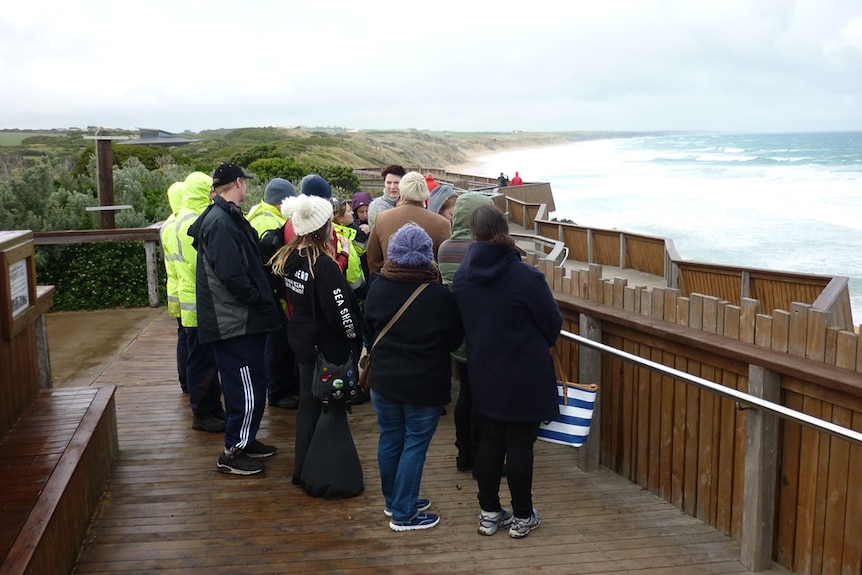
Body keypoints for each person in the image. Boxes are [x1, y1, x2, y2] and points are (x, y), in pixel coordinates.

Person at [453, 205, 562, 539]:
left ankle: (489, 514)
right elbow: (552, 325)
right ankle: (522, 517)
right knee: (519, 444)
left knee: (489, 442)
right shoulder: (527, 278)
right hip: (524, 374)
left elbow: (462, 324)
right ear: (505, 230)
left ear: (473, 234)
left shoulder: (462, 277)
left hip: (484, 371)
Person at [364, 224, 463, 531]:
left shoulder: (377, 287)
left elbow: (369, 332)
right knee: (414, 444)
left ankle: (395, 500)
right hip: (423, 382)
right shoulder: (439, 295)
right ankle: (405, 514)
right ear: (426, 255)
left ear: (393, 253)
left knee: (391, 437)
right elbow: (454, 338)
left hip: (383, 380)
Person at [188, 162, 282, 476]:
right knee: (245, 388)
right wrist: (259, 301)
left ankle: (246, 438)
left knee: (250, 383)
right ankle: (232, 451)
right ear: (238, 183)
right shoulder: (219, 221)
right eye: (246, 183)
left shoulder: (225, 217)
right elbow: (232, 275)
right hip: (234, 322)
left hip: (239, 320)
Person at [270, 194, 365, 500]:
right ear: (324, 228)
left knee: (308, 407)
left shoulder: (288, 256)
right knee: (331, 410)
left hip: (300, 340)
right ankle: (328, 478)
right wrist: (354, 342)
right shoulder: (323, 266)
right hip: (326, 347)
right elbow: (341, 313)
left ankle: (303, 470)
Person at [437, 192, 496, 474]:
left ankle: (464, 453)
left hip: (457, 332)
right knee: (483, 399)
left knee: (466, 394)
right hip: (483, 335)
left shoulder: (446, 248)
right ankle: (482, 456)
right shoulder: (484, 249)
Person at [175, 171, 225, 433]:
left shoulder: (177, 220)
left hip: (186, 298)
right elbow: (205, 264)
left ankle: (211, 409)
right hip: (199, 301)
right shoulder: (195, 223)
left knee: (198, 357)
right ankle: (203, 413)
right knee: (203, 361)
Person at [246, 177, 299, 410]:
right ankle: (278, 392)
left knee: (274, 341)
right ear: (282, 202)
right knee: (276, 342)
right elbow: (274, 257)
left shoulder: (256, 213)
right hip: (271, 289)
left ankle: (278, 387)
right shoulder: (269, 221)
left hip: (262, 288)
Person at [366, 171, 451, 277]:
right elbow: (446, 263)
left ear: (402, 193)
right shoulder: (442, 223)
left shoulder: (381, 218)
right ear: (425, 194)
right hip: (427, 286)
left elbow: (373, 259)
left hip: (391, 282)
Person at [159, 180, 189, 394]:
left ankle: (185, 380)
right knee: (190, 340)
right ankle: (190, 381)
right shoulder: (184, 224)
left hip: (175, 288)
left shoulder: (167, 225)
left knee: (183, 336)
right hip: (188, 289)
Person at [351, 191, 373, 282]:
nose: (365, 215)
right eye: (361, 212)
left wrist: (371, 229)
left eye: (367, 211)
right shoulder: (352, 225)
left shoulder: (376, 220)